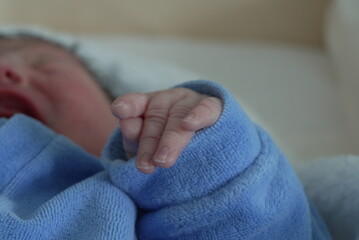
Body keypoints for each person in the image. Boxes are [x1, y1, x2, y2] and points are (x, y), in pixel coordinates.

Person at [0, 33, 331, 239]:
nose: (5, 69)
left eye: (43, 63)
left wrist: (205, 153)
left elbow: (268, 226)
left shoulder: (161, 197)